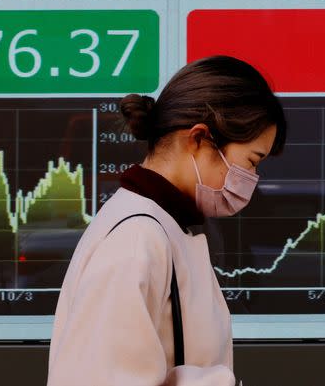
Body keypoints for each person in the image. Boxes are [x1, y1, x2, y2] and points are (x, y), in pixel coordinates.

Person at [47, 55, 286, 386]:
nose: (252, 178)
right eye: (251, 161)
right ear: (200, 139)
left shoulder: (168, 227)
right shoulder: (136, 239)